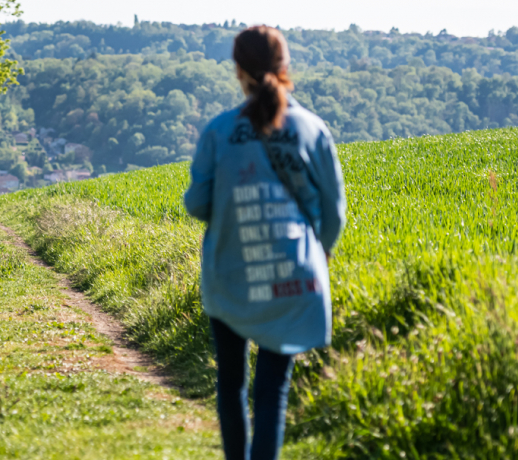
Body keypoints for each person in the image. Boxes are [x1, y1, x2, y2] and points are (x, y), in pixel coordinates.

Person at [183, 26, 346, 460]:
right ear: (284, 66)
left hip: (230, 273)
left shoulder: (219, 131)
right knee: (273, 389)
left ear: (237, 69)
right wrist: (319, 253)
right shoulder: (312, 129)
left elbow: (198, 204)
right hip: (293, 275)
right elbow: (334, 214)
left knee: (232, 382)